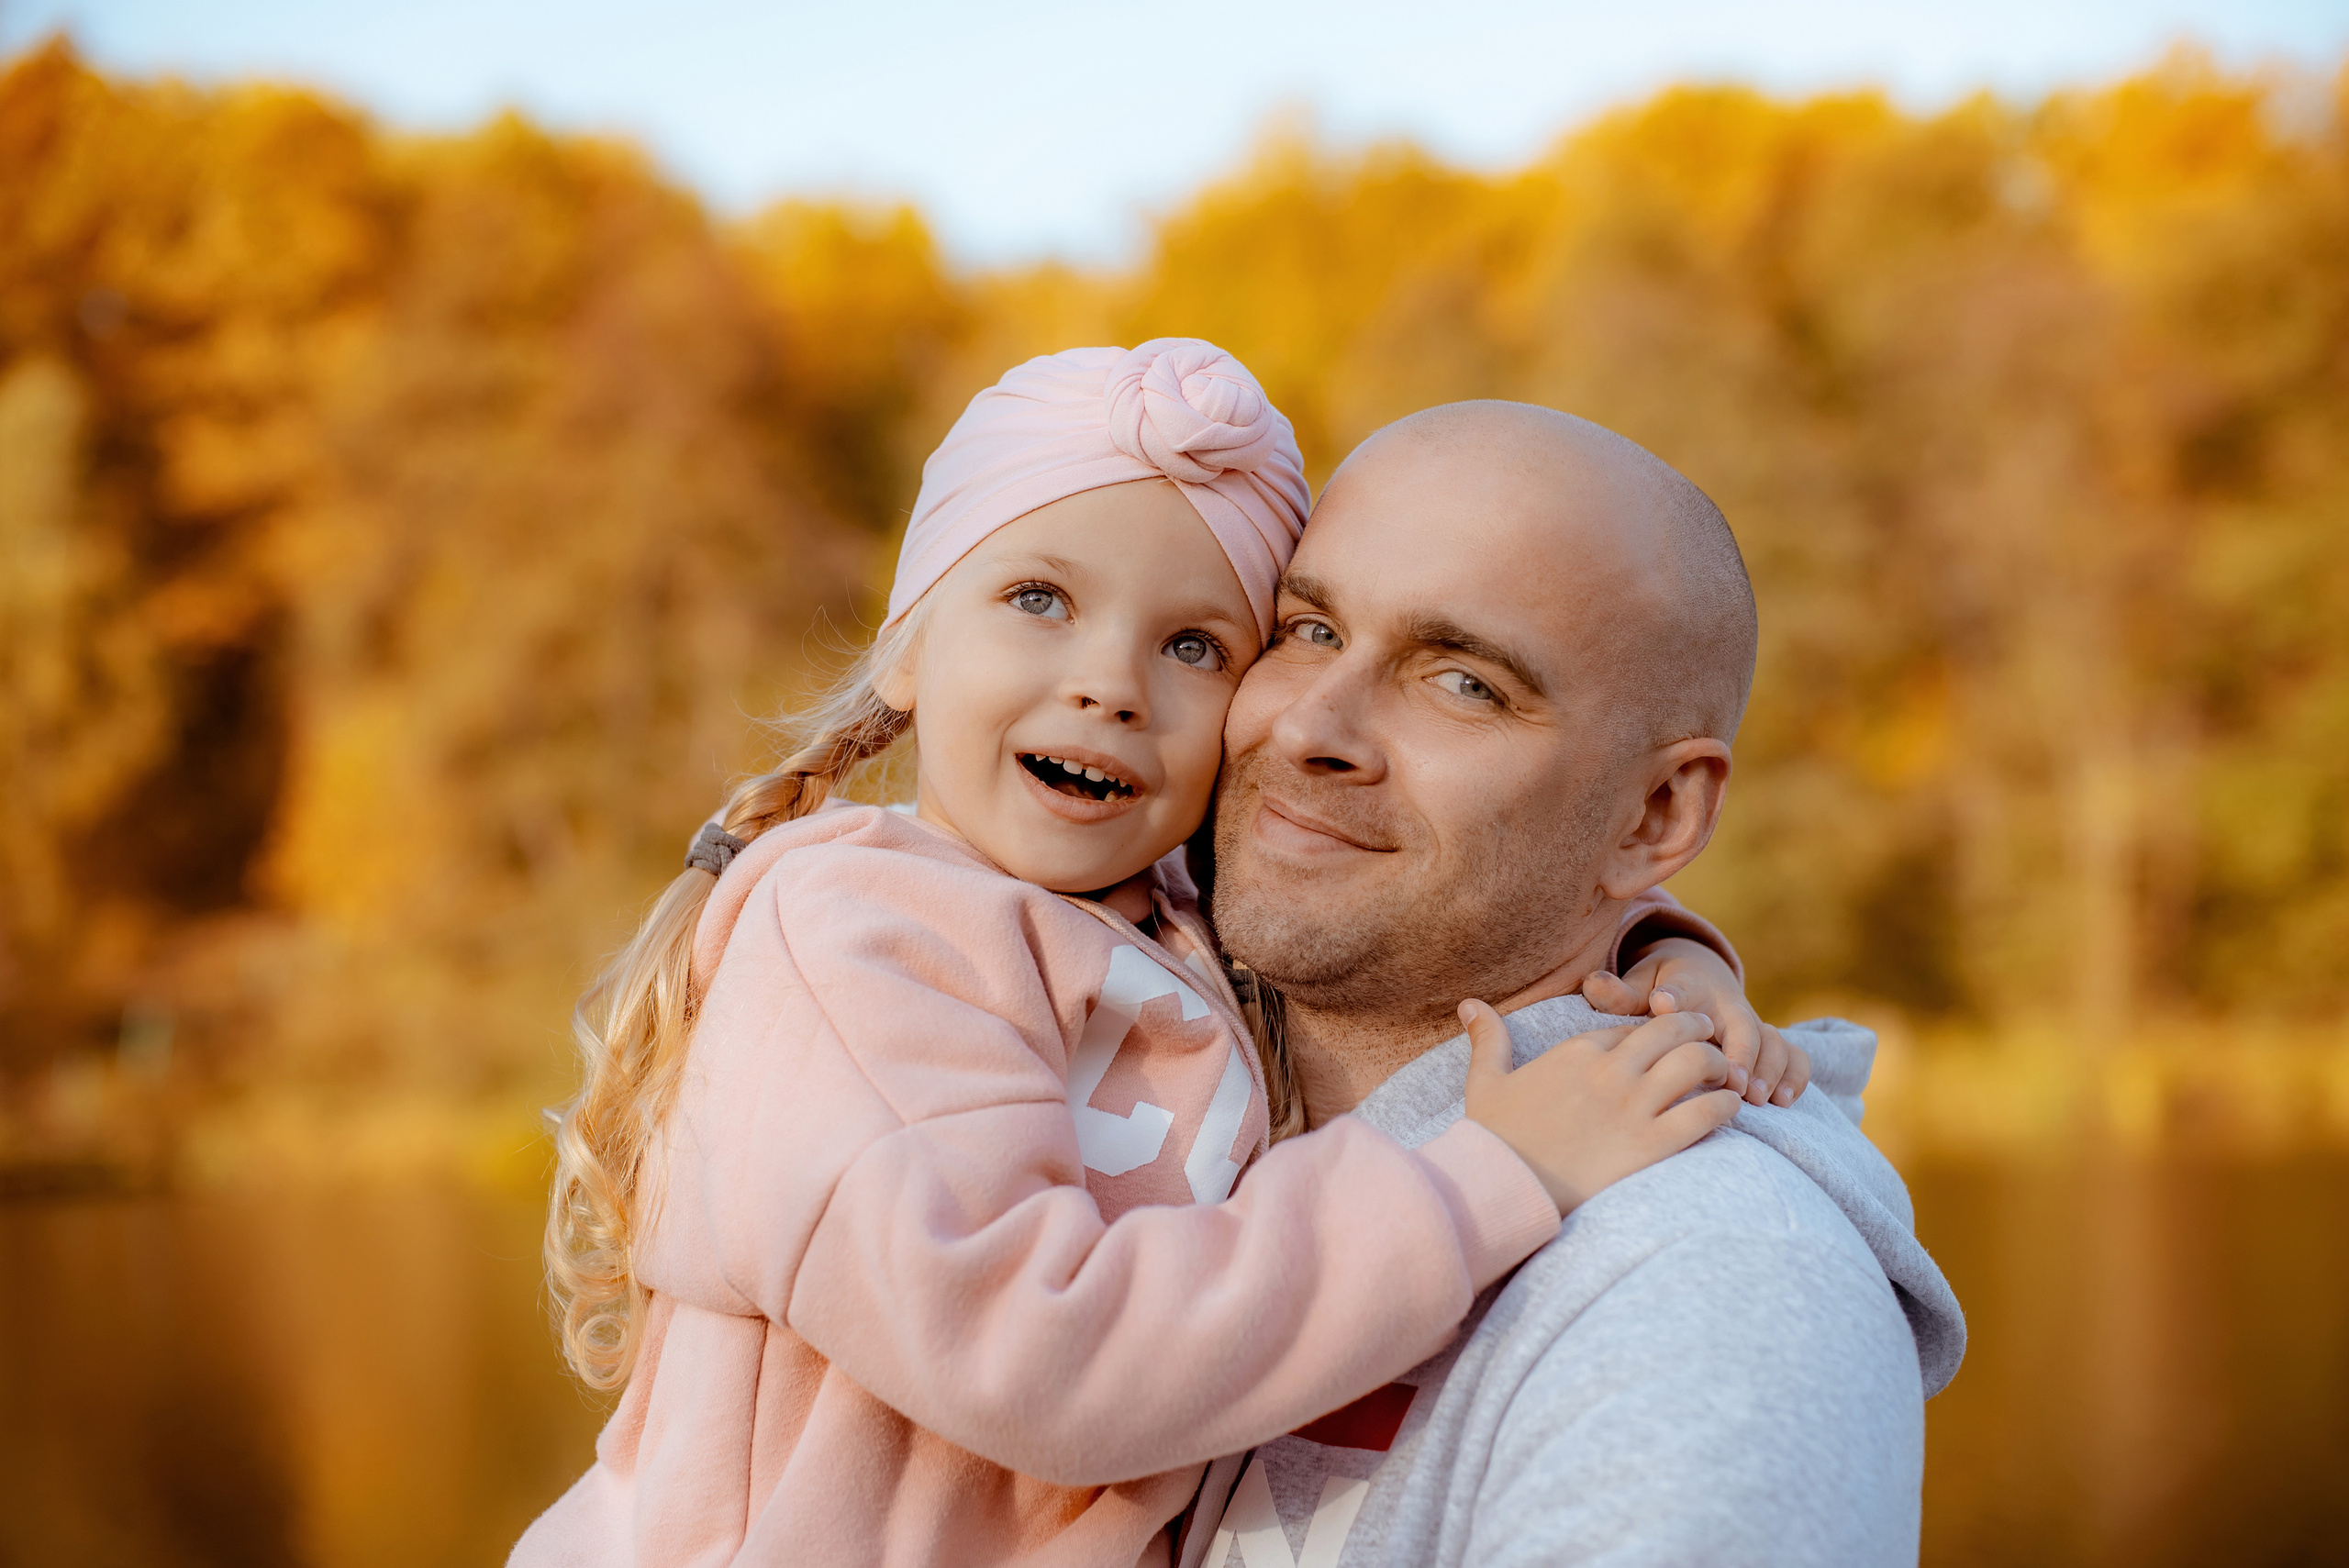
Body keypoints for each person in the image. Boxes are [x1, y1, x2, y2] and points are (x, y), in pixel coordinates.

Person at [512, 344, 1793, 1567]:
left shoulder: (1160, 912)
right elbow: (1032, 1354)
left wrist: (1670, 967)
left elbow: (1452, 891)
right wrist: (1489, 1177)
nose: (1109, 684)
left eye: (1195, 646)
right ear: (908, 643)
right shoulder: (859, 945)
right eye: (1037, 599)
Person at [1181, 401, 1966, 1567]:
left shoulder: (1705, 1287)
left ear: (1655, 815)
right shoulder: (1117, 1097)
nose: (1310, 724)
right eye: (1306, 628)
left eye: (1463, 683)